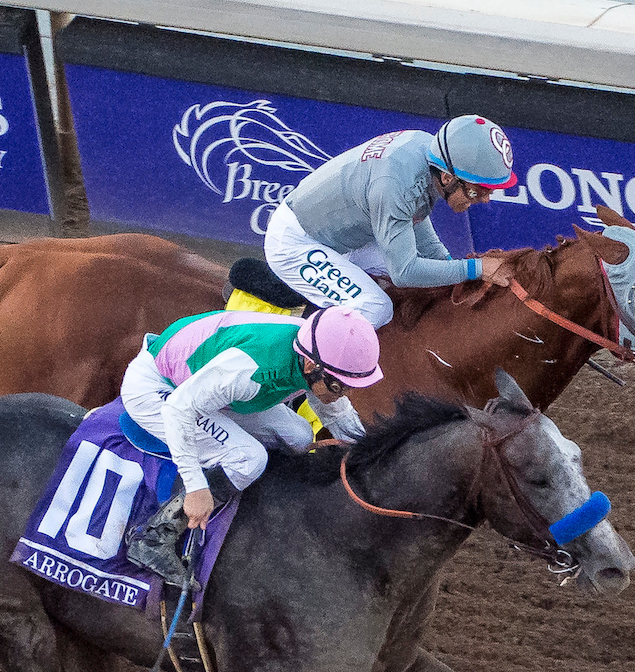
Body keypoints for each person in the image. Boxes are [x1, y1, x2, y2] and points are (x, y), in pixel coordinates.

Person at [122, 306, 381, 583]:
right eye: (339, 387)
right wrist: (196, 486)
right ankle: (153, 537)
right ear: (310, 365)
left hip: (208, 388)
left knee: (300, 437)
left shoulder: (311, 353)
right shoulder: (249, 369)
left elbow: (337, 412)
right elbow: (178, 409)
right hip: (161, 391)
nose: (345, 394)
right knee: (249, 458)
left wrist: (370, 453)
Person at [263, 114, 520, 328]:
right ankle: (305, 368)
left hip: (343, 234)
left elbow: (417, 219)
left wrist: (450, 265)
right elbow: (405, 272)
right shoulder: (396, 185)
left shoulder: (427, 152)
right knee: (376, 308)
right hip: (296, 243)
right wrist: (476, 268)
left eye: (491, 191)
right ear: (446, 178)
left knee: (432, 279)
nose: (486, 199)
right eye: (479, 190)